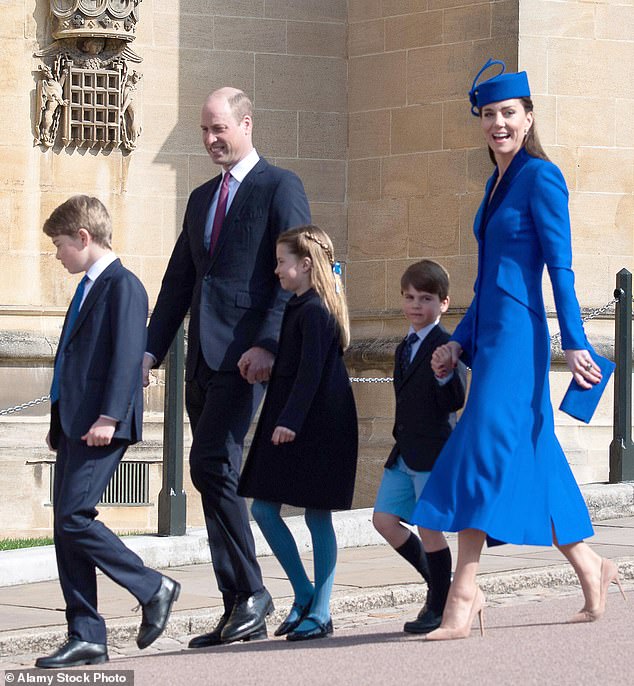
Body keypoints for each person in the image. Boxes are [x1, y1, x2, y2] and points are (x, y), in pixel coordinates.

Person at [411, 59, 625, 641]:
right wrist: (456, 341)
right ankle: (594, 568)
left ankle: (463, 592)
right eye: (489, 114)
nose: (498, 123)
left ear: (529, 118)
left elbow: (561, 268)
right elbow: (488, 281)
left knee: (480, 446)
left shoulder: (541, 177)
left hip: (521, 339)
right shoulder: (493, 183)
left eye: (509, 113)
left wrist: (575, 342)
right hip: (492, 332)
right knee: (535, 452)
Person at [143, 87, 311, 647]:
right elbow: (179, 283)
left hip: (247, 360)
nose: (212, 140)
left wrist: (268, 345)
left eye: (221, 129)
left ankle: (252, 593)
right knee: (211, 469)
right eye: (205, 131)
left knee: (212, 460)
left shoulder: (279, 186)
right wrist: (150, 350)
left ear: (246, 124)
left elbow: (297, 270)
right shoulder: (199, 199)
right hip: (202, 359)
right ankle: (239, 601)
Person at [36, 196, 180, 669]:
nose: (56, 255)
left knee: (75, 517)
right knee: (65, 526)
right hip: (78, 423)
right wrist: (60, 422)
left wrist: (110, 417)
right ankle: (86, 634)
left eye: (59, 245)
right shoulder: (86, 288)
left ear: (83, 237)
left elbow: (124, 356)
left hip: (103, 423)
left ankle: (151, 586)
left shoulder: (123, 286)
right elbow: (71, 361)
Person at [238, 225, 358, 641]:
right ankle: (304, 593)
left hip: (316, 422)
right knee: (263, 509)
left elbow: (310, 376)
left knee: (316, 513)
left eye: (281, 262)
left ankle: (321, 609)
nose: (276, 270)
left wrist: (288, 420)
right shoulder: (299, 305)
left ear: (305, 264)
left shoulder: (317, 310)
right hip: (288, 415)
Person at [372, 260, 466, 635]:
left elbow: (455, 399)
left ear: (443, 303)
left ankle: (439, 604)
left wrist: (444, 375)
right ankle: (440, 584)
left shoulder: (446, 344)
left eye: (425, 298)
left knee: (429, 527)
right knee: (384, 521)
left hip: (433, 451)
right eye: (410, 297)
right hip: (404, 450)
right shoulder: (404, 347)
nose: (416, 305)